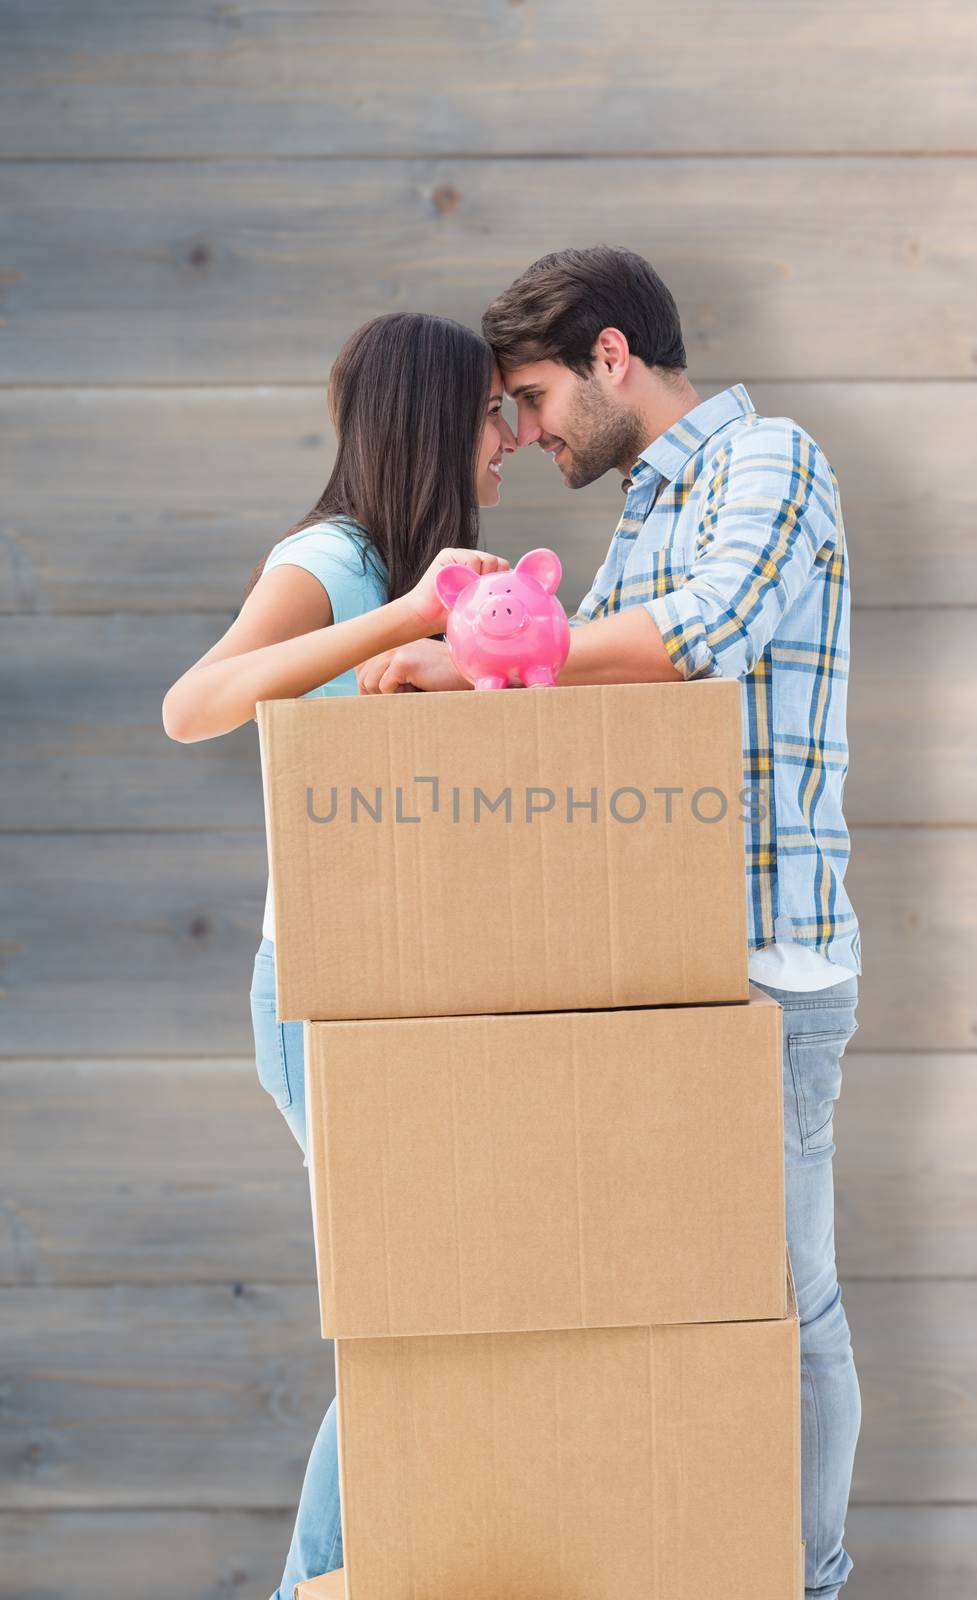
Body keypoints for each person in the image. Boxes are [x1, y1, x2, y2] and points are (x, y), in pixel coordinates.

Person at [359, 247, 863, 1600]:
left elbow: (709, 633)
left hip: (763, 955)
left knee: (780, 1293)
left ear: (611, 357)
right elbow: (576, 698)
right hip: (660, 955)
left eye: (530, 397)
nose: (523, 434)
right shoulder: (646, 508)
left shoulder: (770, 459)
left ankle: (807, 1578)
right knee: (661, 1291)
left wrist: (474, 664)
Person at [161, 310, 516, 1600]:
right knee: (404, 1313)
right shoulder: (334, 561)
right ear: (431, 420)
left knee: (437, 1306)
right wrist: (398, 620)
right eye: (492, 414)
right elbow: (193, 704)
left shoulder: (435, 572)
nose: (514, 439)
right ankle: (321, 1581)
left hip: (418, 990)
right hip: (322, 992)